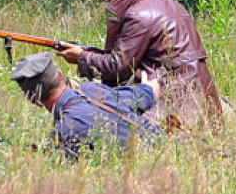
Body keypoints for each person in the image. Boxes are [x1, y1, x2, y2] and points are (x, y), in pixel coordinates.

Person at [56, 0, 222, 129]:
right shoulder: (170, 4)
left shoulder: (139, 14)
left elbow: (118, 66)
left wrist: (81, 57)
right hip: (196, 92)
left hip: (174, 98)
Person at [11, 51, 161, 160]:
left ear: (31, 99)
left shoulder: (64, 131)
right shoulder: (92, 89)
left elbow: (45, 163)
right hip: (160, 148)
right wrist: (148, 87)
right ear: (62, 75)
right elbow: (148, 93)